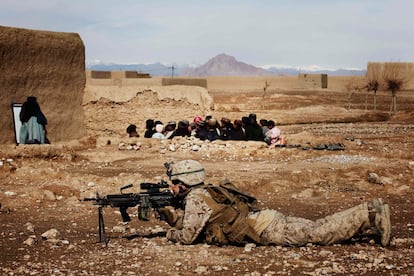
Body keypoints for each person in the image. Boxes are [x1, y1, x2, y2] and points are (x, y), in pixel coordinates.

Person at [160, 160, 391, 247]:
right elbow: (201, 222)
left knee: (318, 233)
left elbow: (188, 237)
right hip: (264, 220)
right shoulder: (206, 192)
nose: (171, 187)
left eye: (174, 183)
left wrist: (170, 233)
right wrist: (174, 218)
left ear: (183, 182)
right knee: (317, 227)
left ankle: (370, 214)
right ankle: (369, 212)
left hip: (265, 228)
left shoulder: (195, 198)